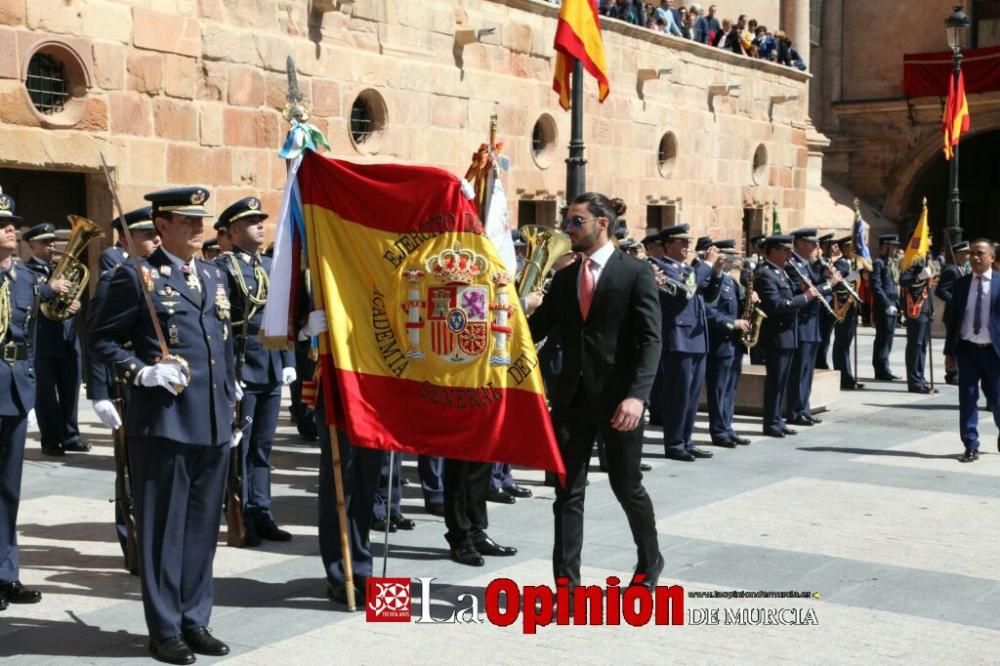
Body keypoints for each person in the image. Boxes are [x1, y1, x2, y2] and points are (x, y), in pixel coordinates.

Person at [89, 186, 235, 664]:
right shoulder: (136, 276)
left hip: (211, 422)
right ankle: (165, 627)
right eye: (186, 221)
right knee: (163, 529)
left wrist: (233, 393)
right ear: (162, 226)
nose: (199, 228)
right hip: (165, 421)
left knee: (200, 530)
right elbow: (101, 340)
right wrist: (142, 372)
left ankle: (196, 619)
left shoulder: (213, 274)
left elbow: (223, 341)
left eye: (201, 220)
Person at [527, 191, 663, 591]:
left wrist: (637, 396)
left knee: (627, 486)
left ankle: (650, 560)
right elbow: (536, 331)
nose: (568, 229)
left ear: (602, 223)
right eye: (567, 221)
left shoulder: (634, 272)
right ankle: (566, 586)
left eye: (575, 221)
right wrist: (501, 318)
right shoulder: (566, 277)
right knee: (566, 493)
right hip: (571, 402)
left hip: (620, 402)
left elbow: (651, 340)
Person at [214, 197, 296, 547]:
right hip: (243, 365)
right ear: (233, 232)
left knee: (263, 446)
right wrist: (227, 373)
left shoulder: (269, 264)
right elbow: (219, 325)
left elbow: (281, 315)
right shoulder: (223, 267)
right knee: (240, 449)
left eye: (262, 221)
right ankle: (242, 515)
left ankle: (262, 512)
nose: (260, 226)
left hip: (272, 365)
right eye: (251, 223)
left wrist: (289, 360)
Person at [87, 207, 160, 572]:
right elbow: (98, 337)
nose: (156, 239)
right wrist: (98, 393)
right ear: (128, 237)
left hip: (154, 385)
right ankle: (130, 541)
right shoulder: (118, 278)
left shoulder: (160, 276)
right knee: (129, 469)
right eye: (147, 234)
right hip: (125, 385)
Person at [0, 192, 45, 611]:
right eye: (2, 224)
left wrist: (27, 386)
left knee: (9, 489)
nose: (11, 229)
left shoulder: (28, 279)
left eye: (12, 222)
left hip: (14, 388)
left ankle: (6, 573)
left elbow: (28, 338)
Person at [652, 224, 723, 461]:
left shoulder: (688, 269)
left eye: (688, 243)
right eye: (682, 243)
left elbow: (709, 296)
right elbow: (686, 292)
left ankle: (687, 440)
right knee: (678, 395)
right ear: (668, 244)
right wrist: (706, 266)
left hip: (697, 338)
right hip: (678, 339)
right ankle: (674, 443)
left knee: (692, 396)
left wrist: (718, 274)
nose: (687, 247)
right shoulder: (661, 268)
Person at [21, 223, 86, 456]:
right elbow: (25, 302)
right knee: (46, 394)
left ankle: (71, 435)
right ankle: (50, 439)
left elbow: (69, 298)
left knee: (71, 389)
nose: (51, 246)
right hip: (42, 342)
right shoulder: (24, 273)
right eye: (45, 242)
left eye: (52, 241)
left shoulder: (62, 268)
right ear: (31, 245)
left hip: (67, 339)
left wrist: (74, 305)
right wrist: (50, 289)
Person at [757, 235, 819, 437]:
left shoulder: (781, 273)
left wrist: (801, 289)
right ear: (773, 251)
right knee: (775, 382)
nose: (788, 254)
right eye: (785, 250)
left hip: (788, 335)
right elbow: (776, 305)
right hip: (777, 335)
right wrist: (805, 297)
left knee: (782, 382)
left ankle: (777, 419)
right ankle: (771, 422)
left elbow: (790, 297)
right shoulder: (766, 274)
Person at [944, 239, 1000, 463]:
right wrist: (950, 352)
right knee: (967, 398)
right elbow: (954, 319)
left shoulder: (999, 283)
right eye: (972, 254)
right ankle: (970, 445)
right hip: (967, 350)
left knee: (997, 399)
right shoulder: (962, 284)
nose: (975, 257)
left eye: (980, 253)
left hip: (994, 352)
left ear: (992, 258)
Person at [785, 228, 837, 427]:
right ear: (799, 243)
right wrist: (829, 284)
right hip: (802, 325)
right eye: (811, 242)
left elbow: (818, 291)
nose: (816, 246)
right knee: (799, 371)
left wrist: (825, 276)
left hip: (812, 325)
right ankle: (795, 410)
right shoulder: (793, 265)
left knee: (807, 371)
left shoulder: (806, 265)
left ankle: (804, 408)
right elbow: (810, 292)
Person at [704, 240, 751, 447]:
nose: (734, 260)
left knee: (731, 388)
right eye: (730, 256)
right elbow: (708, 311)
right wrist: (733, 323)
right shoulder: (712, 280)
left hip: (735, 344)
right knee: (719, 389)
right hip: (720, 342)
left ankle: (728, 427)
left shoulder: (732, 282)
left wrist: (751, 298)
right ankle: (719, 431)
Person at [831, 236, 865, 390]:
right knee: (841, 343)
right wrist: (847, 278)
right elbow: (836, 287)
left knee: (846, 344)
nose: (853, 250)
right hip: (842, 308)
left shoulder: (854, 264)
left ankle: (848, 375)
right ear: (843, 249)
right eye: (850, 247)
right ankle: (843, 376)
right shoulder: (839, 264)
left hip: (852, 308)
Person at [936, 241, 971, 386]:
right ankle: (951, 373)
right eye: (965, 253)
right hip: (952, 313)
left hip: (960, 313)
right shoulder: (952, 270)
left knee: (958, 343)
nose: (968, 256)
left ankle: (955, 371)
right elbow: (941, 290)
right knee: (952, 343)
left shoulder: (962, 269)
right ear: (958, 254)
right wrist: (955, 301)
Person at [900, 258, 936, 394]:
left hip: (926, 309)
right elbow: (903, 280)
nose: (930, 240)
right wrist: (919, 276)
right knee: (915, 345)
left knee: (922, 347)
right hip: (916, 308)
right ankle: (914, 381)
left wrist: (931, 309)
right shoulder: (912, 261)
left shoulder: (926, 260)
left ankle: (920, 378)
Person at [871, 234, 903, 380]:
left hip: (893, 304)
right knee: (883, 337)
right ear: (885, 246)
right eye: (893, 245)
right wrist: (886, 304)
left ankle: (884, 367)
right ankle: (881, 369)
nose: (896, 248)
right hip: (884, 306)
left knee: (888, 337)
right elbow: (876, 286)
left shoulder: (890, 262)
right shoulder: (879, 262)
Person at [815, 234, 837, 369]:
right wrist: (826, 277)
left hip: (829, 302)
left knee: (827, 337)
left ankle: (822, 360)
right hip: (820, 304)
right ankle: (819, 362)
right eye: (829, 245)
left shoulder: (829, 262)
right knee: (820, 336)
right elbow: (815, 281)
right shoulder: (818, 263)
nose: (832, 248)